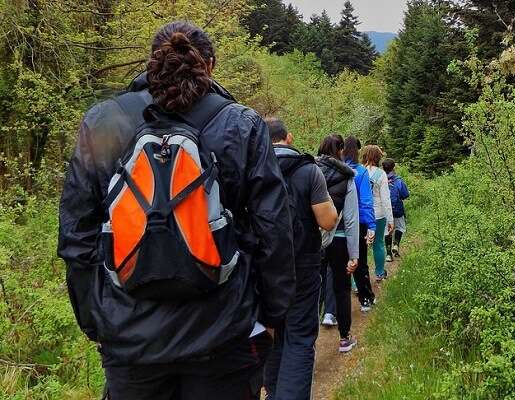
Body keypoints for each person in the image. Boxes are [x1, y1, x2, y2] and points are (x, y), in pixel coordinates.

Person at [57, 22, 295, 399]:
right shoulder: (242, 124)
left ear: (153, 63)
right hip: (222, 334)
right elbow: (275, 230)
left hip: (129, 339)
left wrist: (96, 321)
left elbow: (76, 234)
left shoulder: (104, 122)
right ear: (211, 66)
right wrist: (271, 316)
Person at [263, 118, 337, 399]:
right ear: (289, 137)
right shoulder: (308, 170)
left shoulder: (252, 168)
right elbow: (328, 221)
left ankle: (272, 392)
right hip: (302, 265)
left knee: (271, 333)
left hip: (265, 266)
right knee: (300, 338)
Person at [317, 134, 360, 352]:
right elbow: (351, 219)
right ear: (341, 150)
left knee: (315, 290)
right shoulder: (347, 177)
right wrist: (354, 255)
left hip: (314, 242)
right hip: (340, 241)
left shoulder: (309, 171)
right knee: (342, 290)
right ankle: (345, 339)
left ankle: (307, 343)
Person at [343, 136, 376, 312]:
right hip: (358, 222)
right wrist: (371, 225)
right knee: (360, 260)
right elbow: (365, 201)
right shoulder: (361, 172)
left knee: (339, 263)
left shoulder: (336, 169)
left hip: (337, 222)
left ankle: (334, 309)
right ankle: (365, 298)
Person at [362, 145, 394, 281]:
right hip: (378, 214)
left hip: (362, 214)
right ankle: (380, 273)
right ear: (378, 158)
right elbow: (386, 198)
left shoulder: (358, 171)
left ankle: (356, 282)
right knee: (379, 243)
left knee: (359, 247)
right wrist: (391, 219)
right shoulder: (381, 174)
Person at [382, 158, 410, 262]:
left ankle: (388, 254)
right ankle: (396, 244)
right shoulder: (398, 181)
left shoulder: (381, 180)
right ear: (394, 167)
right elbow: (405, 195)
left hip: (385, 210)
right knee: (400, 227)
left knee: (387, 231)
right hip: (397, 209)